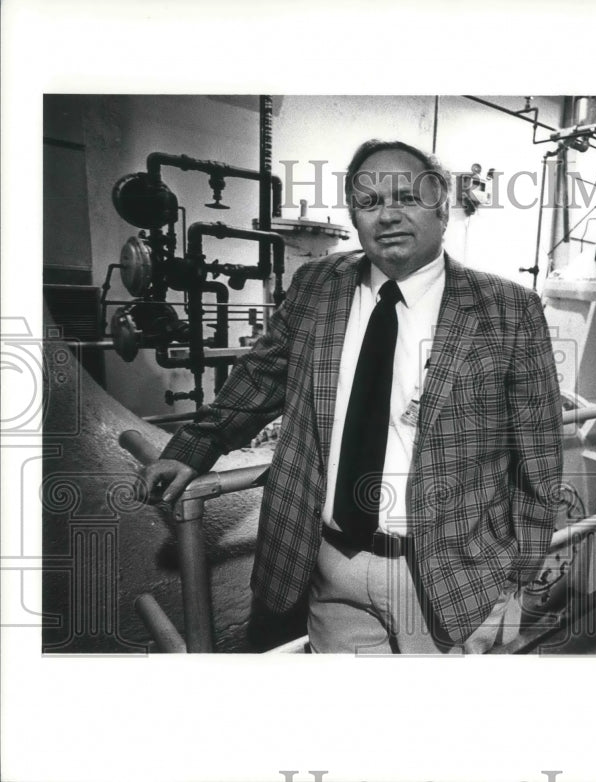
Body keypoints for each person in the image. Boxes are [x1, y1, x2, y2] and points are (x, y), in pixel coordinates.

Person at [141, 139, 564, 653]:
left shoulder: (507, 310)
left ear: (443, 209)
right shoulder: (319, 282)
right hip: (330, 565)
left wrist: (519, 570)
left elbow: (538, 453)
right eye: (369, 203)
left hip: (449, 574)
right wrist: (194, 448)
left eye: (406, 198)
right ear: (354, 216)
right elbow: (261, 378)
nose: (388, 216)